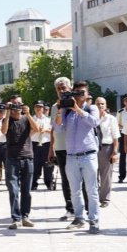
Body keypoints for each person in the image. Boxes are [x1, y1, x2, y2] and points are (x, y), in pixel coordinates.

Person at [54, 81, 101, 234]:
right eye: (77, 92)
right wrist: (60, 109)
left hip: (88, 155)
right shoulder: (67, 111)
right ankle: (79, 217)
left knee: (92, 190)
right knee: (74, 190)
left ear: (87, 95)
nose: (80, 95)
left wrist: (77, 108)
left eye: (83, 92)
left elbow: (94, 122)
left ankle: (93, 220)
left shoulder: (91, 108)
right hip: (71, 156)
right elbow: (58, 129)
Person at [1, 94, 39, 229]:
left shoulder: (27, 118)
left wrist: (28, 114)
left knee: (26, 190)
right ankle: (16, 218)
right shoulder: (7, 119)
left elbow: (37, 130)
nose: (17, 107)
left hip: (28, 157)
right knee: (13, 189)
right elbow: (4, 131)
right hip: (12, 158)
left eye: (19, 104)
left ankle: (25, 216)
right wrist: (6, 112)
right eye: (14, 104)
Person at [48, 77, 76, 221]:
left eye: (64, 88)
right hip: (60, 147)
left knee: (78, 178)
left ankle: (81, 208)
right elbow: (54, 128)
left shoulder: (77, 103)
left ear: (70, 88)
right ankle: (69, 208)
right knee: (65, 179)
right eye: (59, 89)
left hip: (76, 147)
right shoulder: (55, 106)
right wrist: (51, 149)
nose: (61, 91)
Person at [95, 97, 119, 207]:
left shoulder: (111, 119)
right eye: (98, 104)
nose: (100, 106)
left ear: (106, 105)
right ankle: (94, 197)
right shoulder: (91, 118)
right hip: (93, 148)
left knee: (106, 175)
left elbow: (115, 137)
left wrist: (114, 152)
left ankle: (105, 199)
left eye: (102, 104)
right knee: (92, 174)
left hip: (106, 148)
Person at [31, 101, 53, 190]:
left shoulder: (48, 119)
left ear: (43, 109)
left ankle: (49, 182)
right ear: (34, 108)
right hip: (35, 143)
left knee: (48, 164)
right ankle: (33, 183)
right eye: (37, 107)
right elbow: (27, 133)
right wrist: (35, 130)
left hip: (46, 143)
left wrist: (46, 130)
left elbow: (54, 132)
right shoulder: (31, 119)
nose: (39, 109)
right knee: (35, 164)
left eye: (40, 107)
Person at [116, 94, 127, 183]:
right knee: (122, 156)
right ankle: (121, 176)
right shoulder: (120, 112)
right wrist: (125, 128)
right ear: (124, 102)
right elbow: (117, 124)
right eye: (126, 100)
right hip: (123, 134)